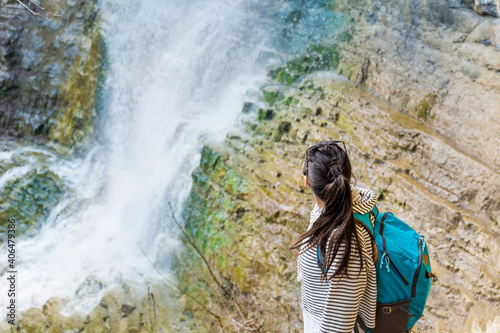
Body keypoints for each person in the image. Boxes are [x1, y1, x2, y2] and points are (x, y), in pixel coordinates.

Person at [289, 140, 378, 333]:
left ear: (307, 180)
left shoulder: (344, 239)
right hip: (318, 316)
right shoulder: (337, 208)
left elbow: (340, 321)